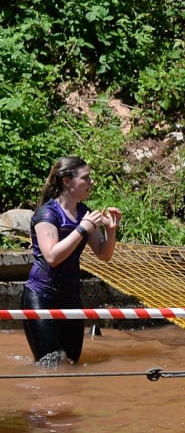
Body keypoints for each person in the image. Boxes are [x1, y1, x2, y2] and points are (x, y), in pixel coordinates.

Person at [23, 156, 121, 364]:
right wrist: (82, 229)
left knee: (71, 363)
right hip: (41, 297)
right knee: (51, 363)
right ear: (67, 181)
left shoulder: (84, 212)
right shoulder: (47, 214)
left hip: (71, 298)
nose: (91, 183)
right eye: (86, 178)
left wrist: (110, 231)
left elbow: (104, 254)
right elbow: (52, 257)